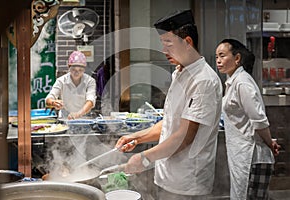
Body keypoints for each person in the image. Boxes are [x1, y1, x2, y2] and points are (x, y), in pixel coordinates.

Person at [115, 10, 223, 200]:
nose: (164, 51)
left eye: (169, 44)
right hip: (166, 176)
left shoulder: (203, 80)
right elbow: (169, 123)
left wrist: (144, 158)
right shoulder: (180, 73)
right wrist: (136, 138)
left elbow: (184, 136)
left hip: (187, 182)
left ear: (188, 42)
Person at [215, 39, 280, 200]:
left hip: (253, 157)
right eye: (216, 56)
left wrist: (270, 143)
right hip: (242, 155)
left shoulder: (243, 83)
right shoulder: (233, 81)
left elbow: (258, 120)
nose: (218, 60)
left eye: (222, 55)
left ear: (237, 58)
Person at [45, 50, 97, 119]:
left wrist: (78, 114)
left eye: (80, 70)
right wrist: (54, 103)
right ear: (69, 67)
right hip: (65, 117)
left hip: (84, 117)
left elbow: (90, 101)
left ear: (84, 69)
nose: (77, 72)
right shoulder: (61, 81)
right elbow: (48, 99)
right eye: (73, 69)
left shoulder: (90, 81)